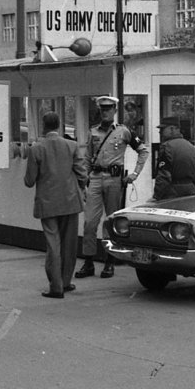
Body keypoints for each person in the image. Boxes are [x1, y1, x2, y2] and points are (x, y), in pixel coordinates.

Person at [76, 95, 150, 279]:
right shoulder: (93, 132)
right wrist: (84, 181)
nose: (106, 112)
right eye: (103, 109)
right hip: (95, 178)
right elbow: (86, 159)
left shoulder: (124, 132)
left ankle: (109, 262)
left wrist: (134, 174)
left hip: (114, 180)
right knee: (89, 222)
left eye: (109, 109)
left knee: (110, 222)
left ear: (115, 111)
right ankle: (89, 262)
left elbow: (143, 150)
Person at [24, 111, 87, 298]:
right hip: (70, 201)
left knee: (53, 244)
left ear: (44, 126)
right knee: (69, 243)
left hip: (48, 203)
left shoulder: (36, 148)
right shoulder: (72, 145)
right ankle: (66, 282)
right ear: (59, 125)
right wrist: (81, 187)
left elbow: (29, 180)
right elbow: (82, 173)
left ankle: (56, 287)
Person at [154, 116, 195, 200]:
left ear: (172, 129)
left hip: (171, 193)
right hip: (190, 191)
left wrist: (156, 196)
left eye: (162, 129)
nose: (160, 132)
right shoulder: (191, 147)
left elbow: (164, 176)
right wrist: (190, 187)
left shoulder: (167, 147)